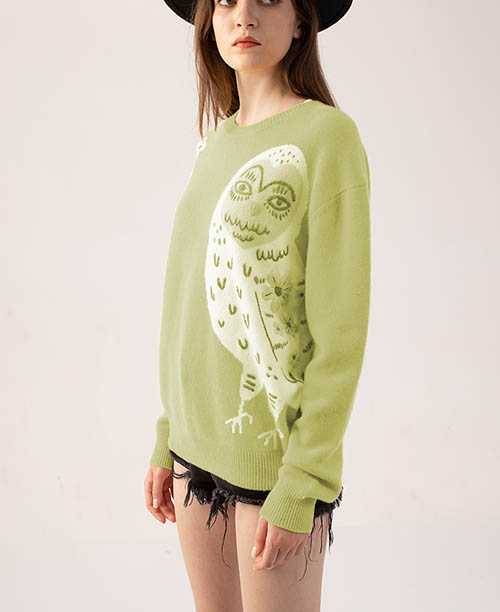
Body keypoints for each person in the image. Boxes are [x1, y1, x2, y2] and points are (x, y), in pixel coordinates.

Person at [144, 1, 371, 610]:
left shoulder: (327, 138)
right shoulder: (215, 142)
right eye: (225, 0)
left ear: (301, 20)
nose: (243, 15)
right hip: (195, 451)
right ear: (209, 20)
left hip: (276, 463)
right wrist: (168, 433)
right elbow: (185, 301)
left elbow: (341, 332)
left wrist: (304, 479)